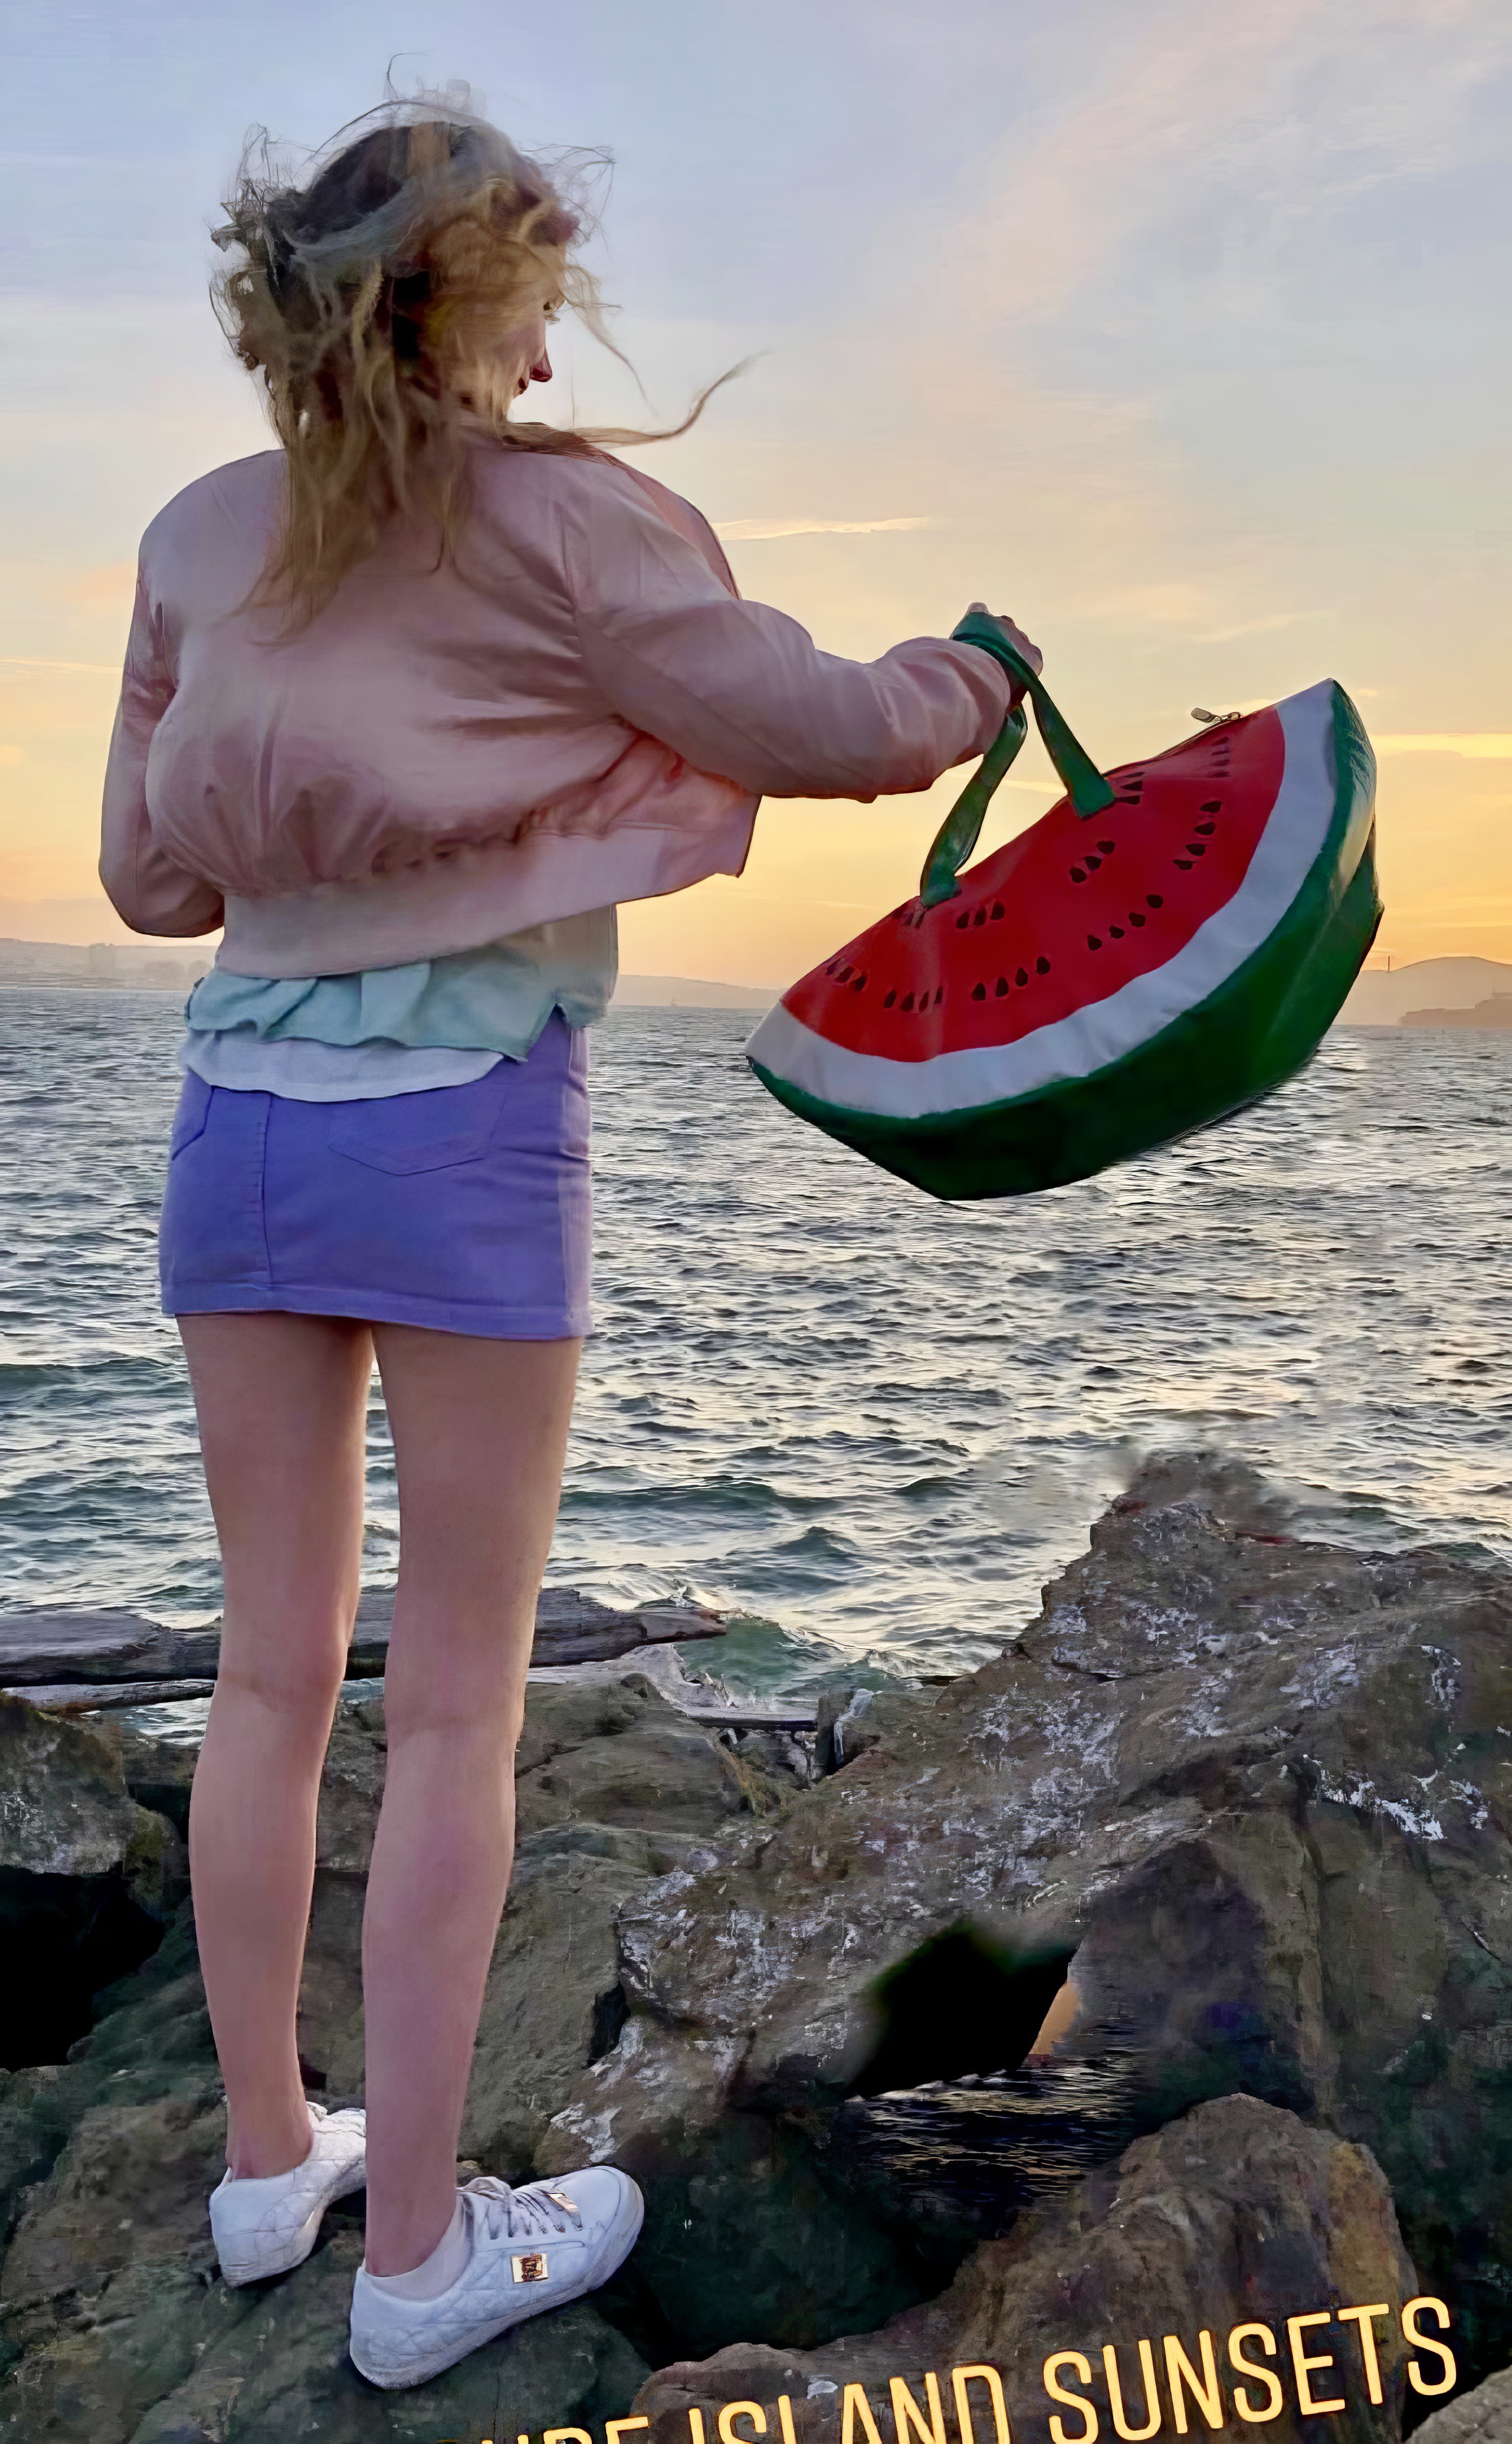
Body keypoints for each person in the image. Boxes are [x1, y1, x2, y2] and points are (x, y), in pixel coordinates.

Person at [99, 95, 1040, 2392]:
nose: (539, 364)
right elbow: (814, 725)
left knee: (262, 1675)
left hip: (235, 1124)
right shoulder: (573, 525)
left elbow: (150, 883)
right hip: (458, 1133)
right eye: (527, 314)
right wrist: (969, 683)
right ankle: (419, 2245)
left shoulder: (199, 536)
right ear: (493, 303)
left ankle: (266, 2165)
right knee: (452, 1708)